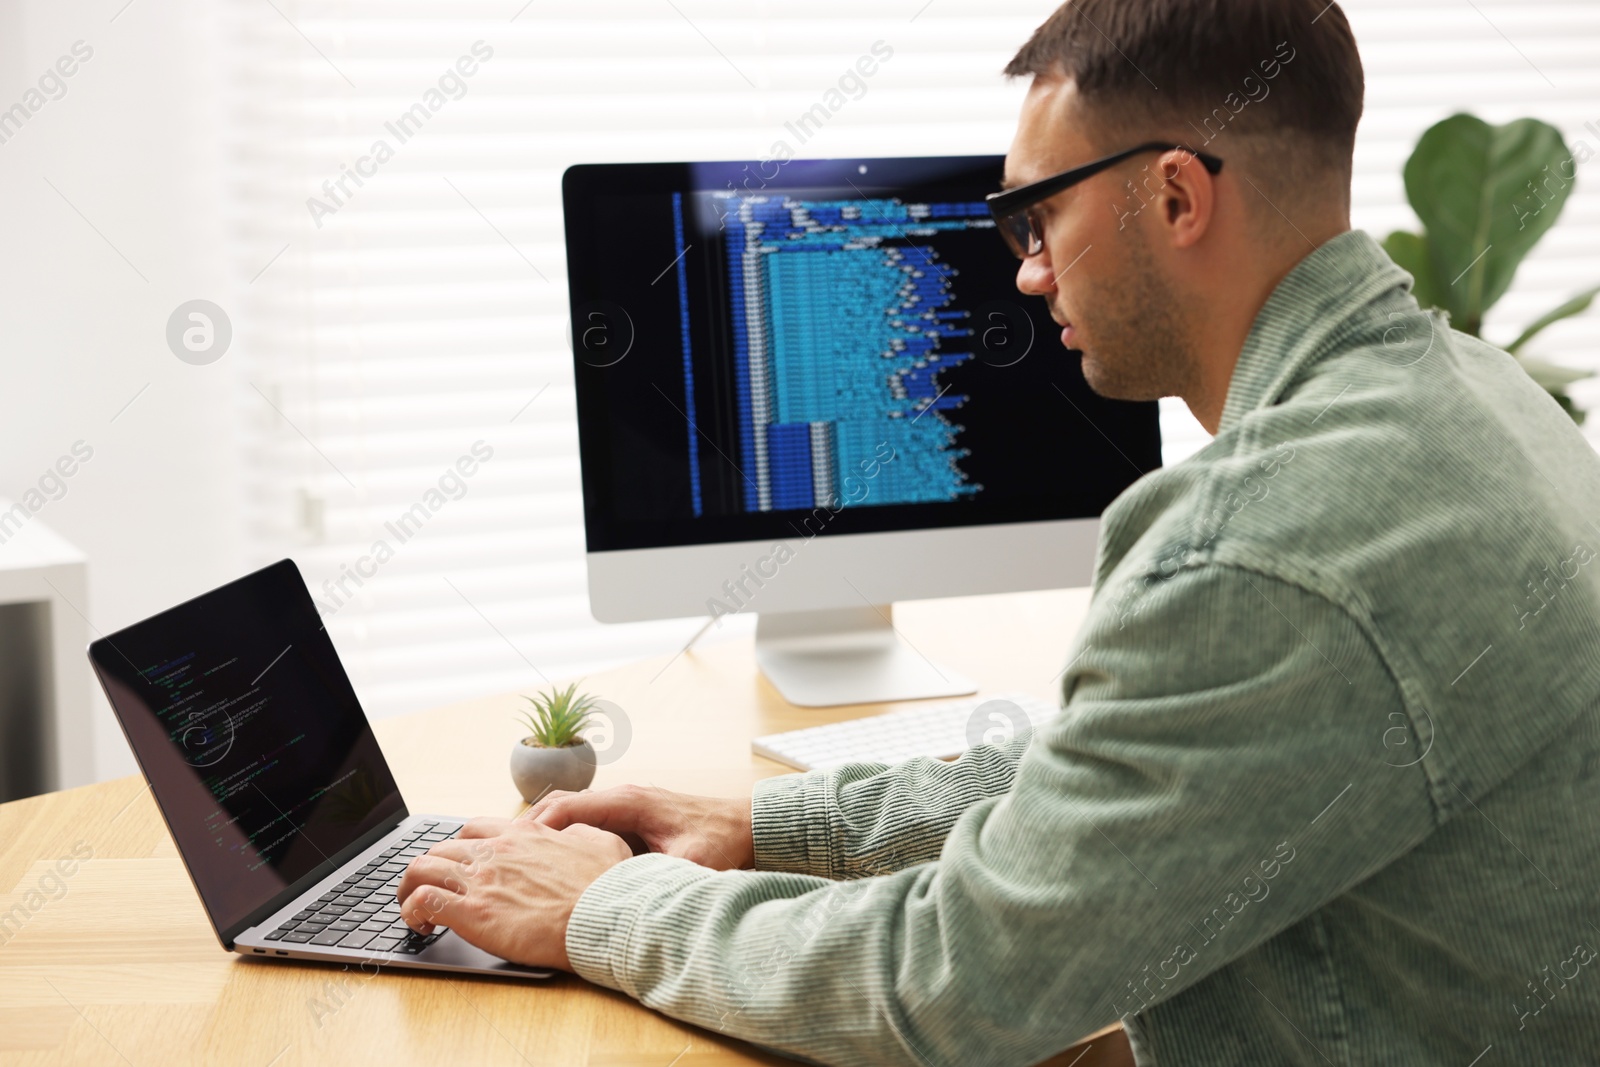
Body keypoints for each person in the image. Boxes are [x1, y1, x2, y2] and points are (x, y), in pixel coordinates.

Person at [396, 1, 1600, 1062]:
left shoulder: (1261, 546)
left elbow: (951, 989)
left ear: (1176, 194)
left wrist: (605, 907)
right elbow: (1126, 774)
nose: (1025, 272)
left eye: (1038, 214)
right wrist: (767, 823)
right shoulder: (1476, 391)